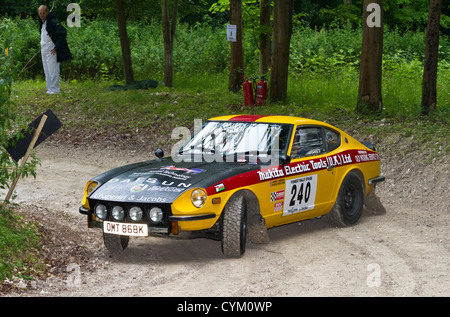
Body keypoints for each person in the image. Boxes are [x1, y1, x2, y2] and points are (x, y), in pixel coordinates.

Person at [38, 5, 72, 94]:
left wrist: (56, 47)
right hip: (43, 49)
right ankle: (49, 88)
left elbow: (63, 33)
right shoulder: (41, 22)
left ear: (47, 12)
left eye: (43, 13)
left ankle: (55, 89)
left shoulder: (53, 22)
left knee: (53, 69)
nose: (42, 15)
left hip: (51, 49)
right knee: (46, 69)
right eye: (40, 13)